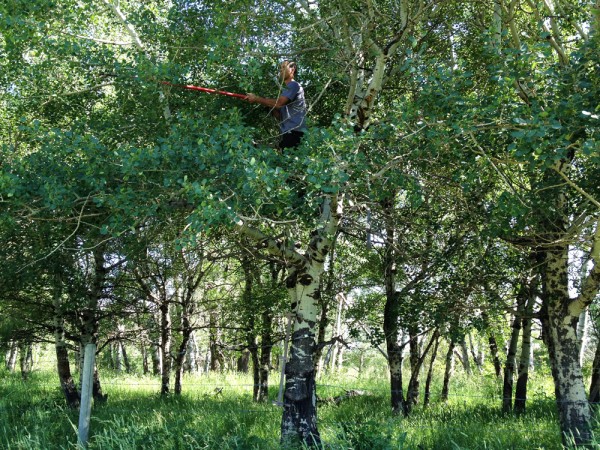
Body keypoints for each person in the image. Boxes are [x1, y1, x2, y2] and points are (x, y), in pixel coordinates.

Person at [245, 61, 307, 150]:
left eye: (283, 67)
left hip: (296, 133)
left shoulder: (294, 85)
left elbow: (278, 104)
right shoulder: (286, 91)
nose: (281, 70)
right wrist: (267, 104)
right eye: (280, 68)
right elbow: (279, 117)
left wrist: (257, 99)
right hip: (288, 133)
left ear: (292, 70)